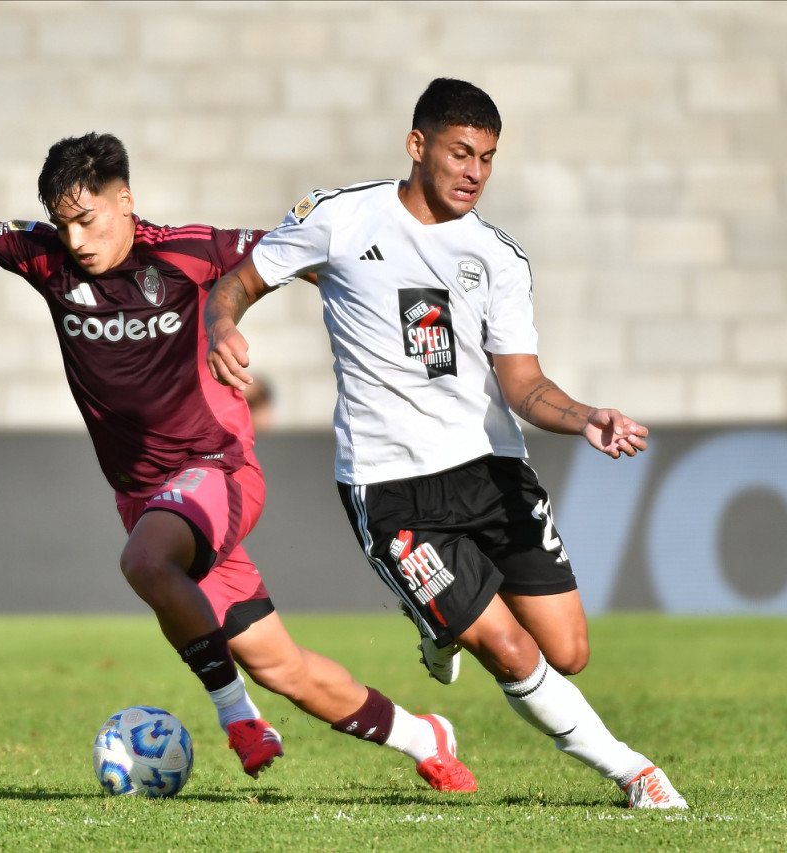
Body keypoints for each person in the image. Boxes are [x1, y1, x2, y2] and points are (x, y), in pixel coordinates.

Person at [0, 132, 475, 792]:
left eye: (87, 219)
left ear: (125, 202)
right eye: (63, 223)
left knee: (144, 562)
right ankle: (425, 736)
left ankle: (237, 719)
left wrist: (403, 301)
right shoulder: (46, 260)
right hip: (147, 500)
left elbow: (303, 254)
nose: (76, 239)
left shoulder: (184, 252)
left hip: (216, 471)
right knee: (285, 668)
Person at [204, 79, 688, 809]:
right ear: (418, 145)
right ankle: (634, 772)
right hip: (394, 488)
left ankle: (436, 622)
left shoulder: (496, 257)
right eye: (462, 152)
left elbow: (523, 384)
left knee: (568, 651)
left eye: (489, 158)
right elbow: (237, 284)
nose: (475, 172)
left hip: (491, 470)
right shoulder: (339, 218)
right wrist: (222, 326)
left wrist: (586, 416)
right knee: (512, 649)